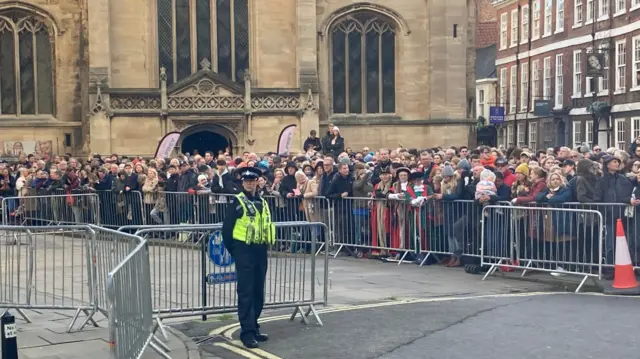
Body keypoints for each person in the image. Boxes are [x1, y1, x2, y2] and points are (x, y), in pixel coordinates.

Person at [222, 167, 276, 349]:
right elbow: (227, 231)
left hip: (260, 249)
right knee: (246, 293)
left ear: (258, 182)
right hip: (243, 250)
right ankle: (247, 332)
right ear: (242, 182)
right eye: (246, 181)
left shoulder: (262, 201)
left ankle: (254, 326)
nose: (250, 183)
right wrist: (236, 252)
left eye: (253, 180)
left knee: (258, 292)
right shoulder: (237, 202)